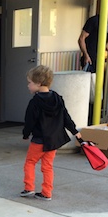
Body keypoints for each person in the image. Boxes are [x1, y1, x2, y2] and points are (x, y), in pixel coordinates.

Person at [20, 65, 82, 201]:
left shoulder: (35, 102)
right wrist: (74, 131)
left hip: (39, 140)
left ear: (38, 83)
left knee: (30, 162)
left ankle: (29, 188)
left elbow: (29, 121)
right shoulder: (58, 98)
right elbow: (66, 116)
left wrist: (26, 134)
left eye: (29, 83)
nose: (28, 86)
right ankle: (46, 193)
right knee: (47, 167)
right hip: (53, 141)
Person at [78, 0, 108, 74]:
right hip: (90, 59)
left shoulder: (106, 23)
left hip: (99, 59)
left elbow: (104, 44)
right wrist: (86, 55)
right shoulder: (93, 20)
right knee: (89, 84)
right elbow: (81, 39)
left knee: (97, 83)